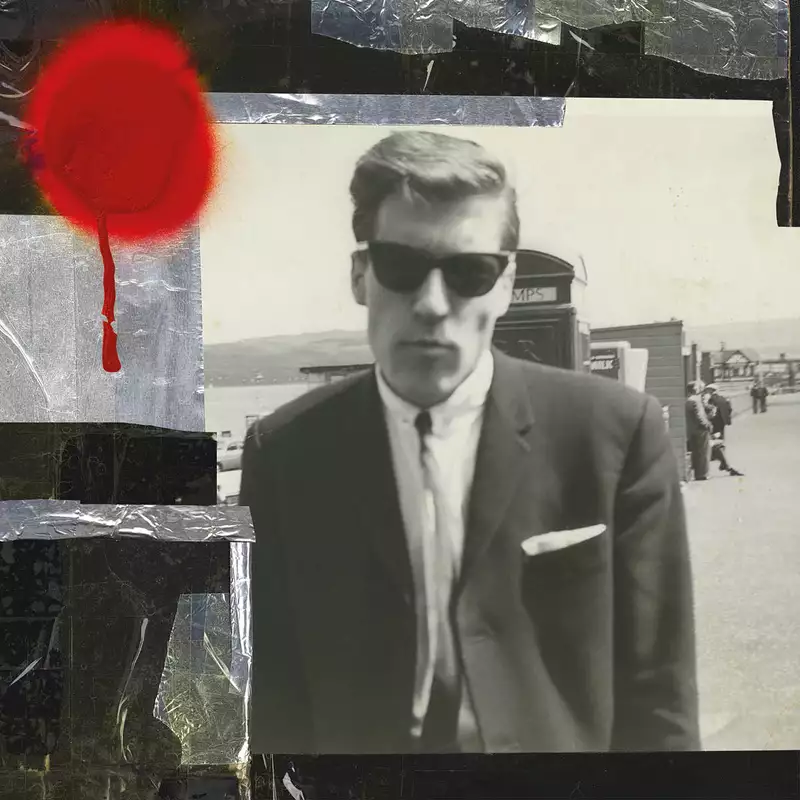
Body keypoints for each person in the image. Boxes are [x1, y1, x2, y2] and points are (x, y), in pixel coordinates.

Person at [240, 130, 700, 754]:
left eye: (469, 272)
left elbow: (661, 703)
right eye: (401, 267)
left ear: (506, 284)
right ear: (360, 274)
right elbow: (271, 698)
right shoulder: (284, 452)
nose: (431, 304)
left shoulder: (617, 435)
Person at [686, 381, 712, 481]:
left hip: (692, 430)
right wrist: (708, 425)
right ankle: (703, 474)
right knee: (703, 453)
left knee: (696, 453)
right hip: (700, 431)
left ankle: (697, 474)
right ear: (695, 389)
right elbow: (699, 417)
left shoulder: (688, 400)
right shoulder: (695, 401)